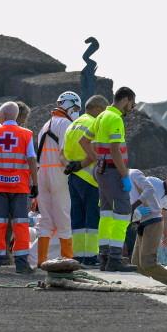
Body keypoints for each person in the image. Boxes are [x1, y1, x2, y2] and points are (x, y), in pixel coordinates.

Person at [79, 87, 138, 272]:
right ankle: (114, 258)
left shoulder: (102, 116)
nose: (132, 107)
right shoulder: (115, 119)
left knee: (105, 214)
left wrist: (97, 159)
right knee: (122, 213)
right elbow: (115, 149)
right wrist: (124, 175)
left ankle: (104, 256)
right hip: (113, 172)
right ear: (126, 99)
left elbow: (84, 141)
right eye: (132, 103)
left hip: (101, 171)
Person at [0, 101, 39, 274]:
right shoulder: (26, 134)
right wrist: (34, 183)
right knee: (20, 225)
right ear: (17, 115)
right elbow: (32, 160)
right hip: (19, 188)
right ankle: (21, 264)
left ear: (2, 116)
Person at [63, 94, 108, 267]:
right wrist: (82, 164)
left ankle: (78, 255)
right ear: (97, 108)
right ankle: (91, 256)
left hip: (74, 178)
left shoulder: (72, 125)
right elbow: (95, 150)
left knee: (77, 218)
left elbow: (65, 153)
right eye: (103, 111)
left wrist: (73, 166)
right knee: (92, 218)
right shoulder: (94, 123)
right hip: (91, 179)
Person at [35, 91, 80, 264]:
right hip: (59, 174)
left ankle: (41, 260)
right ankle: (67, 259)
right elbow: (63, 153)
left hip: (42, 174)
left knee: (45, 219)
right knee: (63, 218)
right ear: (70, 105)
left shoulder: (45, 126)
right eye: (76, 108)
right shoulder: (66, 125)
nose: (76, 112)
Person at [128, 168, 167, 286]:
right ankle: (145, 286)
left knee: (148, 263)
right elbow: (139, 188)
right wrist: (138, 207)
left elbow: (164, 215)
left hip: (153, 223)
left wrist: (166, 235)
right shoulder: (153, 182)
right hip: (143, 223)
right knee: (136, 264)